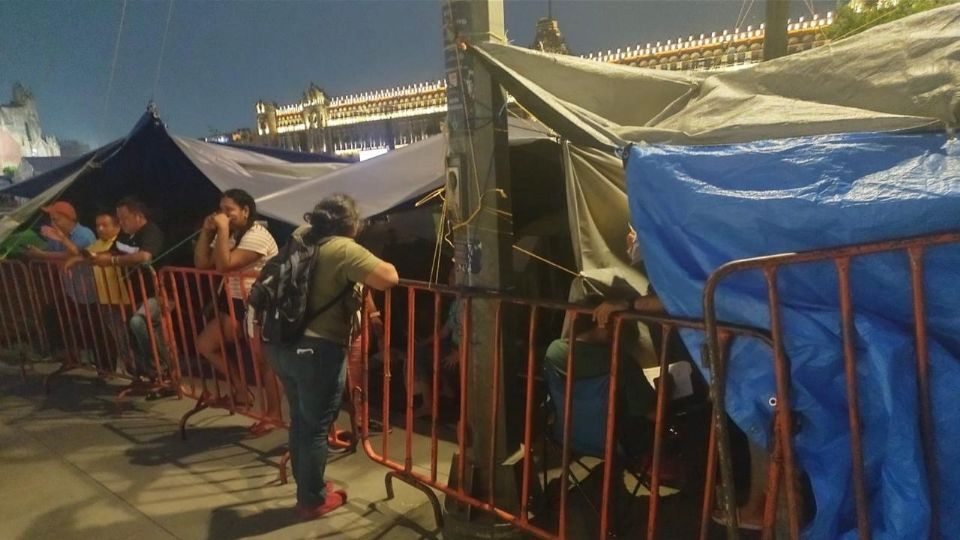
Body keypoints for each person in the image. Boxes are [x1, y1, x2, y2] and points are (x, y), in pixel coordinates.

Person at [263, 194, 398, 520]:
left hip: (281, 344)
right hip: (317, 351)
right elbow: (388, 277)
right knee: (314, 427)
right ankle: (311, 498)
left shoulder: (300, 240)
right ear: (350, 223)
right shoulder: (343, 248)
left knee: (300, 421)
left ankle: (308, 486)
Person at [193, 189, 280, 436]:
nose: (224, 215)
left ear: (245, 211)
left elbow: (224, 265)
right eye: (221, 210)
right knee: (205, 344)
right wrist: (206, 230)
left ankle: (273, 415)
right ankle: (242, 391)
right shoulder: (230, 235)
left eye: (229, 210)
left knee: (264, 362)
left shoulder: (258, 235)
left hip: (259, 306)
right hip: (235, 305)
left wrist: (221, 230)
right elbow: (201, 263)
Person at [88, 197, 169, 388]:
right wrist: (88, 257)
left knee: (138, 322)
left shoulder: (151, 232)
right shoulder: (125, 237)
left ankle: (162, 371)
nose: (121, 223)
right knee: (132, 331)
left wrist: (113, 262)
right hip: (136, 294)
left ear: (138, 216)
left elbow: (144, 256)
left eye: (124, 218)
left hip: (159, 293)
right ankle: (148, 374)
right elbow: (111, 253)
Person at [25, 201, 97, 365]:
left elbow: (72, 255)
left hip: (90, 290)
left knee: (92, 326)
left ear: (68, 218)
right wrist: (34, 250)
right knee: (52, 313)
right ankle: (66, 354)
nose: (53, 223)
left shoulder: (84, 235)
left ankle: (100, 363)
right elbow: (48, 250)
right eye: (51, 219)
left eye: (56, 219)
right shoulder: (57, 236)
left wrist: (42, 255)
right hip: (71, 290)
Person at [65, 210, 132, 373]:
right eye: (98, 225)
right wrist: (74, 253)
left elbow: (98, 255)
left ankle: (140, 371)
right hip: (105, 300)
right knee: (117, 338)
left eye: (105, 225)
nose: (100, 229)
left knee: (129, 338)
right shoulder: (98, 243)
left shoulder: (120, 241)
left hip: (124, 299)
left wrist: (80, 258)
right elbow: (83, 253)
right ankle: (129, 369)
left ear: (117, 226)